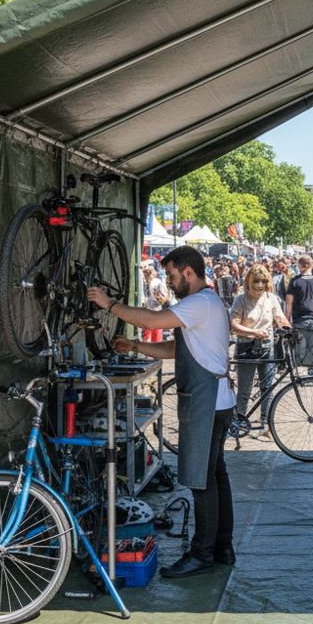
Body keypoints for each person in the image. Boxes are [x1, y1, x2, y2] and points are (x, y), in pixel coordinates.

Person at [88, 246, 236, 578]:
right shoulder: (206, 303)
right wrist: (136, 346)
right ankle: (222, 547)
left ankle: (202, 554)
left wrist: (109, 304)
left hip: (207, 402)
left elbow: (152, 320)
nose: (168, 282)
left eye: (171, 275)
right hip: (218, 400)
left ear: (189, 272)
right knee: (216, 476)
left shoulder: (199, 303)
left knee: (202, 482)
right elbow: (176, 348)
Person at [230, 265, 291, 439]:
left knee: (268, 387)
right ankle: (239, 422)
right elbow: (234, 325)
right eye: (256, 281)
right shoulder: (241, 299)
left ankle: (267, 424)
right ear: (249, 282)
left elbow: (280, 318)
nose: (259, 285)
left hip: (266, 347)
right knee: (244, 390)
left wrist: (289, 330)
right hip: (246, 348)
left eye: (263, 282)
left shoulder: (271, 298)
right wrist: (253, 332)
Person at [285, 255, 313, 330]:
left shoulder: (294, 281)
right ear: (311, 266)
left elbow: (288, 302)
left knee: (299, 337)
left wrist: (286, 320)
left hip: (298, 318)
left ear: (299, 265)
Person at [140, 260, 170, 342]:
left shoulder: (152, 283)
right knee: (156, 338)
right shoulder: (157, 281)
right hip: (157, 313)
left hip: (149, 313)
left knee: (147, 337)